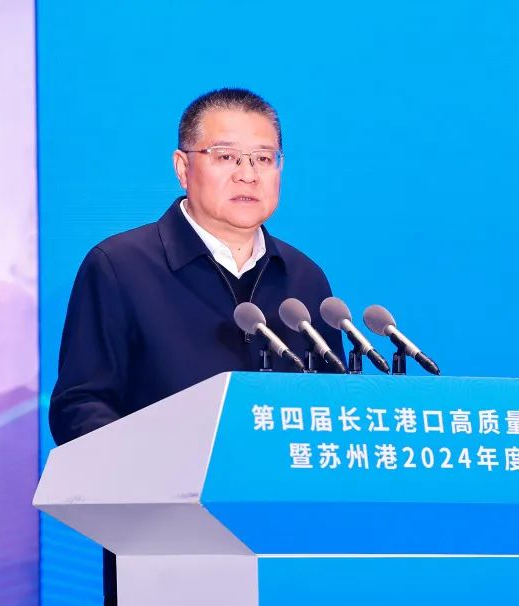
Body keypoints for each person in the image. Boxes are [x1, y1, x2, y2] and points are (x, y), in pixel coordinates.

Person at [48, 88, 345, 605]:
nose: (248, 175)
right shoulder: (120, 266)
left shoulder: (304, 278)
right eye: (226, 157)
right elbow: (80, 405)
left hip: (288, 548)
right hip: (163, 548)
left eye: (263, 159)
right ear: (183, 168)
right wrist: (155, 476)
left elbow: (330, 408)